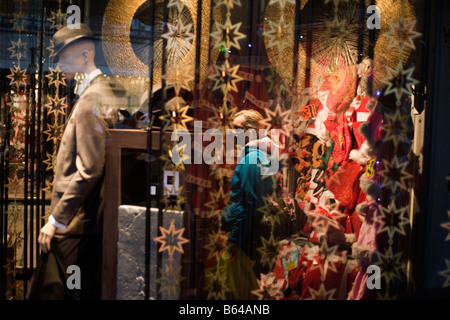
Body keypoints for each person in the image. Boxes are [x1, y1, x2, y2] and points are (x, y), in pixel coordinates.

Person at [26, 23, 118, 300]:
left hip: (76, 224)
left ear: (85, 55)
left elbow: (89, 169)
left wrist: (56, 220)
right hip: (81, 221)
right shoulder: (98, 93)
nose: (59, 64)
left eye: (63, 56)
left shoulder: (93, 98)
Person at [221, 109, 282, 298]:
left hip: (246, 238)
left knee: (241, 291)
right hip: (254, 234)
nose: (233, 133)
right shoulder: (262, 156)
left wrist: (235, 241)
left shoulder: (252, 159)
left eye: (238, 128)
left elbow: (248, 204)